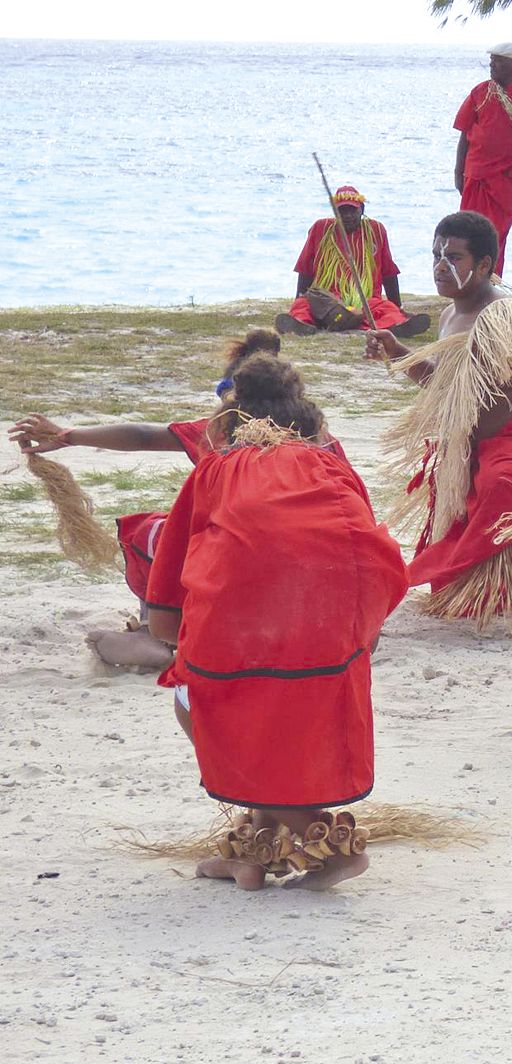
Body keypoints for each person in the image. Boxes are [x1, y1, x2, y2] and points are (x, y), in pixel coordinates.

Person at [146, 353, 408, 890]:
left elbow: (170, 587)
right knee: (279, 716)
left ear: (231, 416)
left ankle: (330, 843)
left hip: (247, 637)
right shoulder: (330, 463)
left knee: (201, 704)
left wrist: (178, 639)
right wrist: (360, 631)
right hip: (333, 633)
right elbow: (367, 548)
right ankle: (255, 853)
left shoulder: (217, 469)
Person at [6, 330, 340, 671]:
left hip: (244, 561)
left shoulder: (222, 435)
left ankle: (153, 635)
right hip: (320, 570)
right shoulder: (325, 445)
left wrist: (68, 435)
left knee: (151, 532)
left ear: (235, 401)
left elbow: (144, 436)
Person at [368, 211, 512, 639]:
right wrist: (397, 353)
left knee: (505, 483)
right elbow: (447, 387)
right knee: (450, 583)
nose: (439, 266)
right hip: (474, 447)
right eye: (435, 255)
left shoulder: (506, 319)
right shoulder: (451, 315)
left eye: (452, 256)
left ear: (484, 265)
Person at [276, 185, 428, 338]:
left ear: (361, 210)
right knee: (302, 306)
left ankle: (396, 325)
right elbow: (305, 269)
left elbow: (388, 272)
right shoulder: (320, 228)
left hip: (366, 301)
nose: (347, 216)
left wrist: (398, 306)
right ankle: (302, 325)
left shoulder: (376, 230)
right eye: (342, 211)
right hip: (327, 301)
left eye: (352, 210)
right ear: (335, 212)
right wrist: (299, 299)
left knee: (388, 309)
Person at [453, 42, 512, 276]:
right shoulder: (481, 92)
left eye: (498, 60)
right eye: (492, 60)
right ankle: (466, 285)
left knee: (496, 236)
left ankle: (490, 285)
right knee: (468, 236)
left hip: (504, 181)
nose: (492, 65)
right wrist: (459, 173)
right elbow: (465, 135)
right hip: (474, 177)